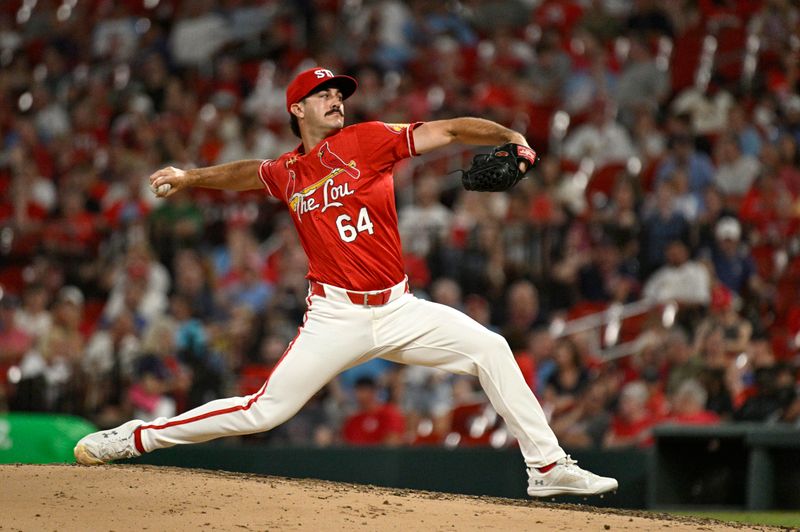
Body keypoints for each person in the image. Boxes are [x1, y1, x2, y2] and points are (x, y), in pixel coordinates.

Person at [74, 67, 617, 497]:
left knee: (492, 349)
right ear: (297, 109)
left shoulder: (369, 140)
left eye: (339, 92)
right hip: (335, 317)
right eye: (322, 94)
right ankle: (136, 436)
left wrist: (511, 135)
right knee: (265, 410)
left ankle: (547, 466)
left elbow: (449, 129)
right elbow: (248, 173)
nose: (336, 99)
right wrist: (191, 177)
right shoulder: (288, 172)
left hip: (400, 308)